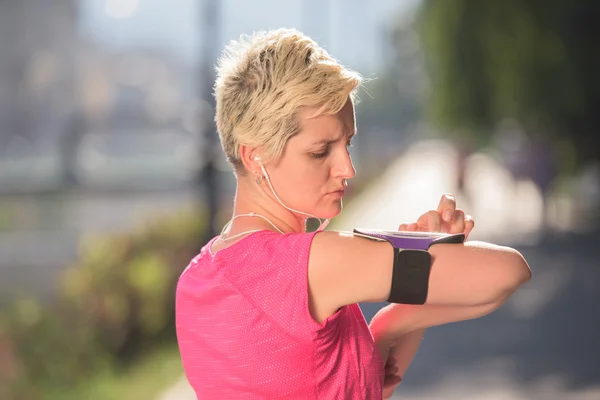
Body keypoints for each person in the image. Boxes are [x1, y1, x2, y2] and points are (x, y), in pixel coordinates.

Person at [175, 28, 532, 399]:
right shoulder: (314, 263)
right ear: (254, 155)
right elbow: (509, 272)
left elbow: (351, 387)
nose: (347, 168)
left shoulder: (194, 282)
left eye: (347, 143)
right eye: (320, 151)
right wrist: (420, 254)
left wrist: (393, 321)